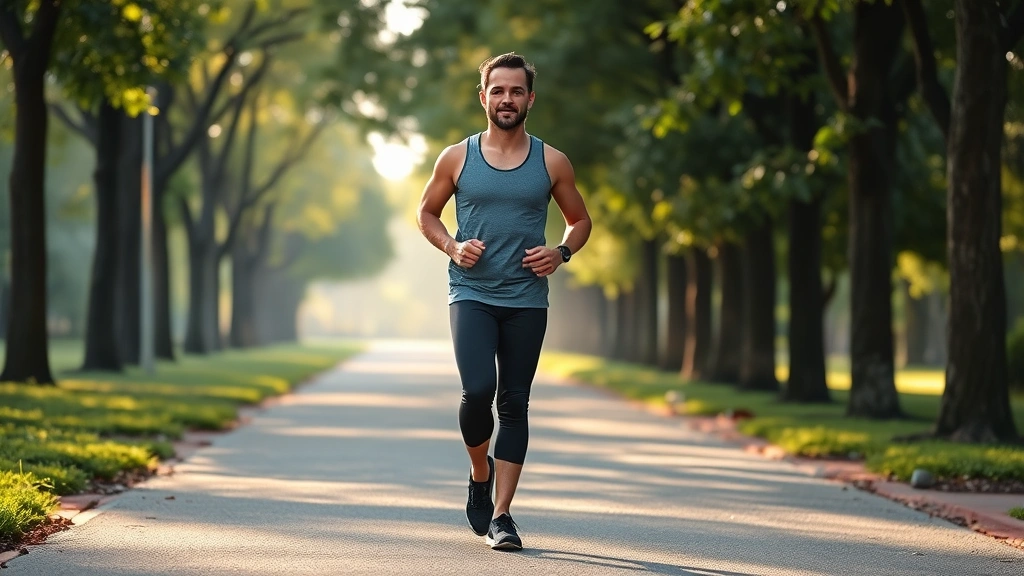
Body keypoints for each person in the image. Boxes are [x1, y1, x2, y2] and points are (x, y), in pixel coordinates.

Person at [416, 52, 592, 551]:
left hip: (526, 299)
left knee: (514, 402)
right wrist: (451, 245)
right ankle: (479, 470)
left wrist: (560, 252)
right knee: (478, 390)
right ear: (483, 97)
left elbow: (580, 221)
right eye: (498, 90)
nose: (507, 99)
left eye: (516, 91)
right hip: (470, 292)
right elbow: (426, 213)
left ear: (530, 99)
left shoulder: (551, 161)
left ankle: (502, 515)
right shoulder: (457, 157)